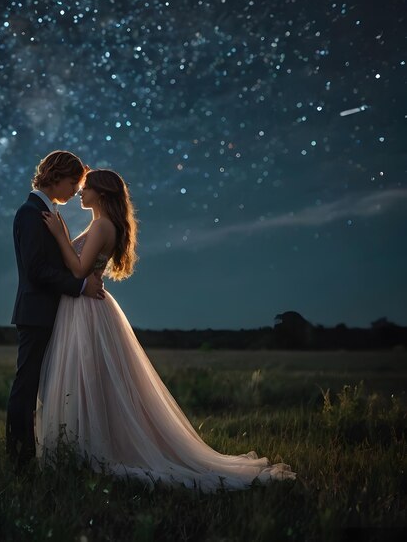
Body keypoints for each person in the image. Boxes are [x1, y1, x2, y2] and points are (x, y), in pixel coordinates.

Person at [37, 168, 296, 491]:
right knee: (88, 377)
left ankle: (91, 450)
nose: (80, 192)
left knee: (88, 376)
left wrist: (60, 236)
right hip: (83, 306)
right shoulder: (100, 224)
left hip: (86, 308)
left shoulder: (103, 225)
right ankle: (82, 446)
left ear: (101, 193)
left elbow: (77, 268)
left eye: (86, 188)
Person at [6, 150, 105, 468]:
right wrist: (80, 286)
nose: (76, 190)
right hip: (36, 313)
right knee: (27, 385)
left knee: (49, 385)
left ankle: (55, 451)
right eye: (74, 183)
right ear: (58, 177)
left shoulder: (46, 213)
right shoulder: (30, 212)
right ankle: (19, 459)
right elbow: (36, 270)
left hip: (51, 313)